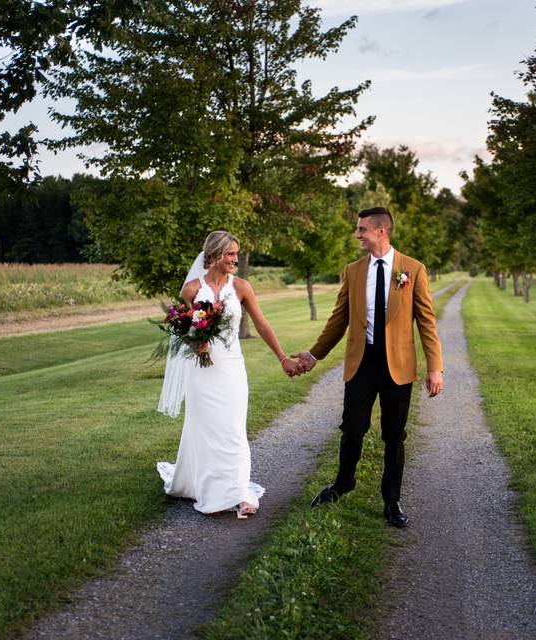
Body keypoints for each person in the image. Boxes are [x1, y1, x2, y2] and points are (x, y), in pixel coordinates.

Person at [294, 207, 443, 527]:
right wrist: (313, 355)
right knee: (352, 429)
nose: (358, 235)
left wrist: (435, 367)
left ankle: (392, 500)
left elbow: (427, 323)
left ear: (381, 231)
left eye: (362, 229)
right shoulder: (353, 271)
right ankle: (343, 483)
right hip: (361, 364)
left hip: (398, 366)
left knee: (394, 435)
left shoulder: (413, 269)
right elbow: (339, 320)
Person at [157, 230, 302, 519]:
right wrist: (197, 341)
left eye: (236, 253)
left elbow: (261, 325)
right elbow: (182, 328)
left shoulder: (242, 287)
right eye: (230, 254)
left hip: (232, 367)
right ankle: (208, 487)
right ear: (213, 256)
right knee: (205, 428)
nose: (235, 259)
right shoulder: (191, 290)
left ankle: (237, 491)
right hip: (200, 370)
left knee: (233, 429)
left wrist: (282, 357)